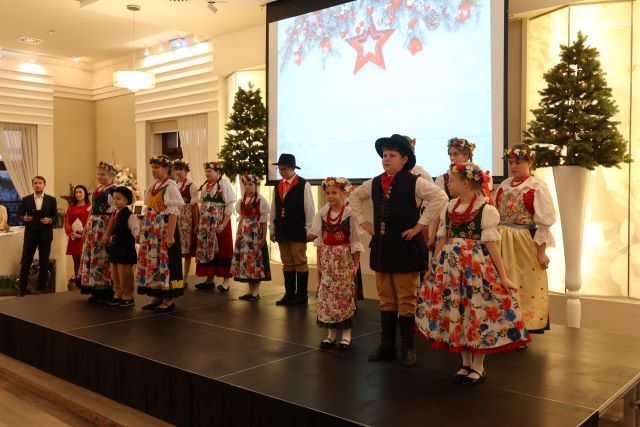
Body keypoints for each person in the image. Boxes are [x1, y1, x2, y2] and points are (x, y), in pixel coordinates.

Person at [415, 163, 529, 385]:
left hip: (474, 271)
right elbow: (443, 239)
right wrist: (433, 267)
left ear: (465, 183)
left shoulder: (485, 210)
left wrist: (503, 276)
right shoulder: (449, 208)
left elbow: (492, 245)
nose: (448, 184)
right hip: (449, 270)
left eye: (452, 180)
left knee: (475, 313)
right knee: (457, 312)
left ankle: (478, 366)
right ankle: (465, 363)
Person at [349, 134, 448, 366]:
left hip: (405, 249)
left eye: (392, 155)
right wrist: (363, 222)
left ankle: (408, 346)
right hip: (383, 249)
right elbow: (354, 197)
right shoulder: (374, 182)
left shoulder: (415, 182)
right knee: (385, 298)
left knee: (406, 298)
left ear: (404, 159)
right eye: (384, 155)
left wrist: (420, 225)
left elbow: (440, 196)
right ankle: (387, 345)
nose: (386, 159)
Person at [496, 145, 556, 335]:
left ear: (529, 162)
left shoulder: (536, 187)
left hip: (523, 241)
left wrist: (541, 252)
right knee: (501, 281)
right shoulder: (504, 185)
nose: (513, 166)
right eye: (511, 162)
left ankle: (522, 327)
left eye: (518, 162)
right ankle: (502, 326)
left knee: (523, 283)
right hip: (501, 240)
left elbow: (544, 223)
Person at [309, 177, 363, 350]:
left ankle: (346, 334)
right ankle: (331, 334)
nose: (330, 196)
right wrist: (319, 264)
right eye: (328, 193)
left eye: (334, 193)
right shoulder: (323, 213)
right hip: (327, 261)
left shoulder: (350, 214)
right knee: (327, 297)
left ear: (344, 193)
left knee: (344, 296)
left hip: (343, 261)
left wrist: (355, 265)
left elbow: (356, 242)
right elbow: (319, 241)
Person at [137, 155, 185, 312]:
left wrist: (170, 235)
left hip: (164, 228)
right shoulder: (154, 186)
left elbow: (173, 212)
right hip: (152, 230)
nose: (153, 170)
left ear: (166, 168)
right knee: (154, 261)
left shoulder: (170, 187)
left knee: (166, 261)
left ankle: (169, 299)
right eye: (152, 167)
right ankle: (157, 295)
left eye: (156, 167)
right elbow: (148, 208)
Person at [270, 153, 315, 306]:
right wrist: (272, 229)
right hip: (282, 229)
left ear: (292, 168)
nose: (281, 172)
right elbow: (274, 209)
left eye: (284, 169)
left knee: (300, 261)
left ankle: (302, 295)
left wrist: (309, 229)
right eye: (280, 169)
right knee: (287, 262)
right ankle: (289, 293)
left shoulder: (303, 184)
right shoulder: (278, 185)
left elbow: (309, 209)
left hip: (297, 229)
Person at [195, 162, 236, 292]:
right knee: (206, 248)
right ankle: (209, 279)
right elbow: (202, 204)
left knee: (222, 249)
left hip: (219, 224)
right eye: (206, 171)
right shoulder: (205, 186)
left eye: (209, 171)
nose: (207, 174)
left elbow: (229, 207)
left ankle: (226, 281)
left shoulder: (224, 185)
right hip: (206, 224)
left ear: (218, 172)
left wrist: (223, 225)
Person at [79, 162, 117, 302]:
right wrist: (86, 226)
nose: (99, 177)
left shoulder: (113, 190)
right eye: (98, 174)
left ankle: (105, 289)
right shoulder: (97, 189)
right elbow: (92, 209)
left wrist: (108, 232)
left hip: (104, 225)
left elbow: (114, 213)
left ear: (111, 176)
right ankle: (94, 287)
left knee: (102, 256)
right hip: (93, 226)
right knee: (93, 254)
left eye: (103, 174)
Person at [230, 174, 271, 301]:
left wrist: (263, 238)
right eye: (245, 184)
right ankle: (250, 291)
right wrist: (238, 235)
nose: (247, 187)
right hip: (244, 235)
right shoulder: (241, 201)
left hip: (255, 234)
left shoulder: (261, 200)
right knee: (246, 261)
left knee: (255, 261)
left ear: (256, 185)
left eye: (250, 184)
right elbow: (241, 218)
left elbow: (264, 221)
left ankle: (256, 292)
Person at [18, 176, 57, 296]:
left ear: (44, 184)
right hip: (30, 234)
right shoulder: (26, 199)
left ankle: (42, 288)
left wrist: (50, 220)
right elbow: (19, 215)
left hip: (46, 235)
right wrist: (23, 218)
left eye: (40, 183)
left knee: (44, 262)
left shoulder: (51, 200)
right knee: (25, 262)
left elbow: (55, 217)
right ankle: (22, 289)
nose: (38, 185)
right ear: (32, 185)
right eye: (35, 183)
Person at [102, 186, 139, 308]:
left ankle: (128, 296)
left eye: (118, 198)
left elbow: (135, 228)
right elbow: (111, 228)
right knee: (115, 274)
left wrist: (137, 235)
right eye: (114, 198)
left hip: (125, 250)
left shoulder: (129, 215)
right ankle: (117, 294)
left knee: (125, 274)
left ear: (126, 200)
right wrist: (107, 236)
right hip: (115, 249)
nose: (115, 201)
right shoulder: (115, 213)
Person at [173, 159, 199, 286]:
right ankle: (175, 277)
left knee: (186, 249)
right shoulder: (172, 185)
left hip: (187, 219)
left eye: (181, 170)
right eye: (177, 169)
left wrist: (197, 223)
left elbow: (195, 206)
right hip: (175, 217)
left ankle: (185, 278)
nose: (178, 172)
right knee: (175, 248)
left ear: (186, 171)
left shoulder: (191, 186)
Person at [64, 185, 91, 286]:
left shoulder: (90, 206)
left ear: (85, 193)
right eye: (76, 192)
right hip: (73, 238)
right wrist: (71, 232)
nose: (78, 194)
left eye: (80, 192)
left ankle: (86, 282)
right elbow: (67, 221)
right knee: (76, 262)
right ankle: (78, 282)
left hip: (85, 237)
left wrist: (83, 233)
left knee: (84, 261)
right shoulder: (71, 206)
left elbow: (91, 220)